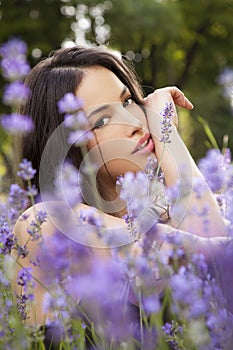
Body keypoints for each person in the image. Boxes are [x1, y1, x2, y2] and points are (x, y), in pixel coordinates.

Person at [13, 45, 228, 328]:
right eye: (101, 120)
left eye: (127, 102)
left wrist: (165, 133)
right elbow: (209, 259)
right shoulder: (44, 225)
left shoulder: (166, 214)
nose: (134, 121)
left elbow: (221, 278)